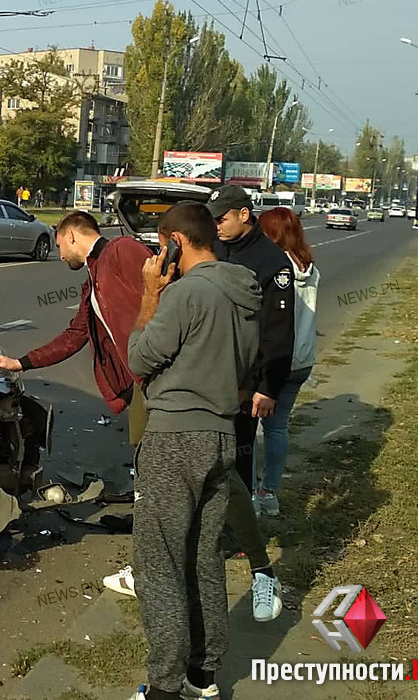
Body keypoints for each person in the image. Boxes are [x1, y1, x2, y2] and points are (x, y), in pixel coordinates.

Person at [126, 201, 261, 700]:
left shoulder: (184, 294)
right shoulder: (245, 293)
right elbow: (248, 367)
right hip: (222, 435)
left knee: (159, 563)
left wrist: (148, 295)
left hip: (174, 437)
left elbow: (139, 358)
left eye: (162, 245)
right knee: (205, 560)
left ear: (175, 243)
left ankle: (162, 686)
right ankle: (202, 678)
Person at [0, 211, 154, 585]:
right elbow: (74, 336)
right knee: (146, 461)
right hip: (140, 383)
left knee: (153, 466)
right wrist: (21, 363)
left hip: (156, 379)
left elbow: (163, 295)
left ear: (72, 235)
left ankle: (151, 563)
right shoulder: (92, 280)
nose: (60, 255)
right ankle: (157, 550)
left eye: (61, 245)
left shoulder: (122, 252)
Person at [206, 184, 294, 622]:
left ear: (244, 214)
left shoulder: (272, 262)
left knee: (237, 457)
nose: (217, 223)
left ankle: (237, 535)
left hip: (247, 382)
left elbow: (278, 334)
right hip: (213, 375)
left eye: (222, 217)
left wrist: (267, 387)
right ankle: (216, 524)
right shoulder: (219, 249)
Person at [255, 208, 319, 515]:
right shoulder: (310, 267)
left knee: (248, 426)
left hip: (277, 359)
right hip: (302, 360)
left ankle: (249, 494)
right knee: (277, 427)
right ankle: (269, 492)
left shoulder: (278, 270)